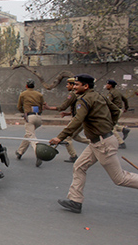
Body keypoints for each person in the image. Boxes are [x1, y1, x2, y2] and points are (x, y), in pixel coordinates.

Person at [49, 74, 138, 214]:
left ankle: (75, 200)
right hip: (98, 141)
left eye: (77, 85)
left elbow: (77, 120)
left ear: (86, 86)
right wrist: (109, 125)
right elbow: (115, 111)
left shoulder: (83, 100)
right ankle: (75, 201)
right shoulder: (99, 96)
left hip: (103, 143)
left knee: (119, 179)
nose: (74, 87)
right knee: (79, 166)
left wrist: (60, 137)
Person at [44, 77, 90, 163]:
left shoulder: (72, 94)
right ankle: (96, 143)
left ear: (72, 85)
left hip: (77, 119)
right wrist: (68, 113)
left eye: (68, 84)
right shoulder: (82, 95)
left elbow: (63, 107)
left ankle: (73, 156)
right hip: (81, 118)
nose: (66, 86)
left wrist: (49, 108)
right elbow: (80, 108)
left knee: (67, 138)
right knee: (76, 136)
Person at [15, 79, 46, 167]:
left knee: (31, 136)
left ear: (26, 86)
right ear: (34, 86)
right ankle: (20, 152)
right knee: (29, 134)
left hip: (30, 116)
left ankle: (38, 153)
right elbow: (42, 105)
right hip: (38, 117)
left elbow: (19, 106)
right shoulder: (39, 94)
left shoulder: (23, 94)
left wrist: (23, 112)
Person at [105, 79, 130, 149]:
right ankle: (123, 129)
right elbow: (125, 99)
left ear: (110, 85)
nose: (106, 86)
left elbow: (107, 103)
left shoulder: (111, 93)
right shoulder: (117, 92)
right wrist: (126, 108)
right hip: (119, 110)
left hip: (114, 111)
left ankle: (121, 142)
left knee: (110, 127)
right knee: (113, 124)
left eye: (107, 84)